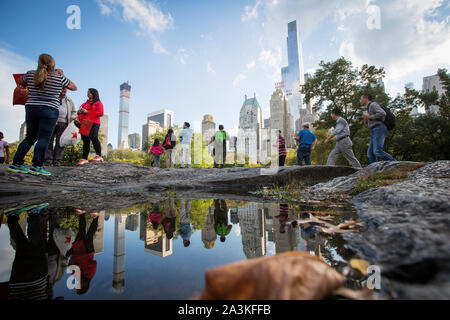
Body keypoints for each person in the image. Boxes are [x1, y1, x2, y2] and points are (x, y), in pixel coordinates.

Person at [8, 53, 77, 176]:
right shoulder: (58, 77)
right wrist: (62, 75)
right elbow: (74, 87)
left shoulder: (30, 74)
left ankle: (16, 163)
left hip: (32, 108)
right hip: (50, 110)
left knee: (30, 137)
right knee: (44, 138)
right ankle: (37, 166)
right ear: (53, 64)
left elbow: (20, 82)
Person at [5, 203, 51, 300]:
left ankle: (33, 213)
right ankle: (11, 217)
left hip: (37, 279)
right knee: (21, 245)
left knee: (37, 244)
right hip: (17, 283)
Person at [66, 209, 99, 295]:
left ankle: (81, 214)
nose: (79, 284)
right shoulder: (89, 275)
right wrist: (80, 264)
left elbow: (70, 264)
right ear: (86, 285)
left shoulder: (75, 275)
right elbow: (94, 264)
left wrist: (72, 257)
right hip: (88, 252)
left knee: (81, 231)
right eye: (81, 286)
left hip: (77, 249)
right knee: (89, 235)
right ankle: (96, 217)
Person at [44, 88, 77, 166]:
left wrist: (72, 117)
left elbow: (74, 112)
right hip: (52, 121)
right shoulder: (53, 98)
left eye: (64, 91)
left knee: (61, 143)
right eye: (61, 91)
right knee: (49, 141)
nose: (63, 93)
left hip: (64, 123)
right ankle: (48, 160)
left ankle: (57, 161)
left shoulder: (69, 100)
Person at [361, 94, 397, 164]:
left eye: (361, 99)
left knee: (377, 151)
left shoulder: (373, 104)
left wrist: (370, 116)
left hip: (379, 128)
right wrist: (366, 118)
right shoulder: (366, 108)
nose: (360, 101)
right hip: (373, 130)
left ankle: (396, 164)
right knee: (370, 154)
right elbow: (366, 122)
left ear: (366, 98)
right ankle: (375, 170)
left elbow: (382, 113)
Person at [76, 88, 104, 166]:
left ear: (94, 94)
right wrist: (80, 112)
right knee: (85, 140)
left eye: (90, 93)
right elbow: (78, 112)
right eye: (87, 93)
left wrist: (87, 112)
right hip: (85, 122)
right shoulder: (84, 104)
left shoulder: (98, 103)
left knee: (94, 137)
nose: (88, 94)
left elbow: (101, 113)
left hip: (94, 122)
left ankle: (99, 155)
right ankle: (84, 158)